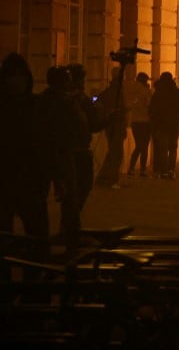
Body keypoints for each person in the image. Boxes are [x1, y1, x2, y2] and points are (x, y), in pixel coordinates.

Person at [0, 53, 49, 248]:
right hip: (5, 178)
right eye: (11, 76)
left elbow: (46, 142)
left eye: (20, 76)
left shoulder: (36, 105)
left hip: (31, 179)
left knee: (37, 235)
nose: (16, 81)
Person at [59, 64, 106, 242]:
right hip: (78, 151)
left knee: (70, 192)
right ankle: (71, 228)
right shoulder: (79, 100)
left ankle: (69, 226)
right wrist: (105, 117)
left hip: (65, 151)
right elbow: (93, 125)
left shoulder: (60, 99)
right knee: (79, 190)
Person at [149, 72, 179, 180]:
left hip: (161, 125)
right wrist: (177, 115)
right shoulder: (178, 93)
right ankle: (171, 170)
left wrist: (156, 120)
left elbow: (152, 109)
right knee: (172, 148)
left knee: (163, 148)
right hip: (174, 124)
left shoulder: (158, 94)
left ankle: (164, 171)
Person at [95, 67, 129, 188]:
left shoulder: (109, 90)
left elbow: (99, 102)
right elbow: (121, 109)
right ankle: (111, 179)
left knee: (112, 152)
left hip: (110, 125)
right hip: (116, 125)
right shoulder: (117, 91)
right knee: (116, 153)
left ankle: (103, 177)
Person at [126, 73, 153, 177]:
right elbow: (149, 105)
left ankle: (131, 168)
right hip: (145, 122)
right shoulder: (146, 91)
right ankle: (142, 170)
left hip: (135, 121)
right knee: (144, 146)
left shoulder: (131, 90)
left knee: (138, 145)